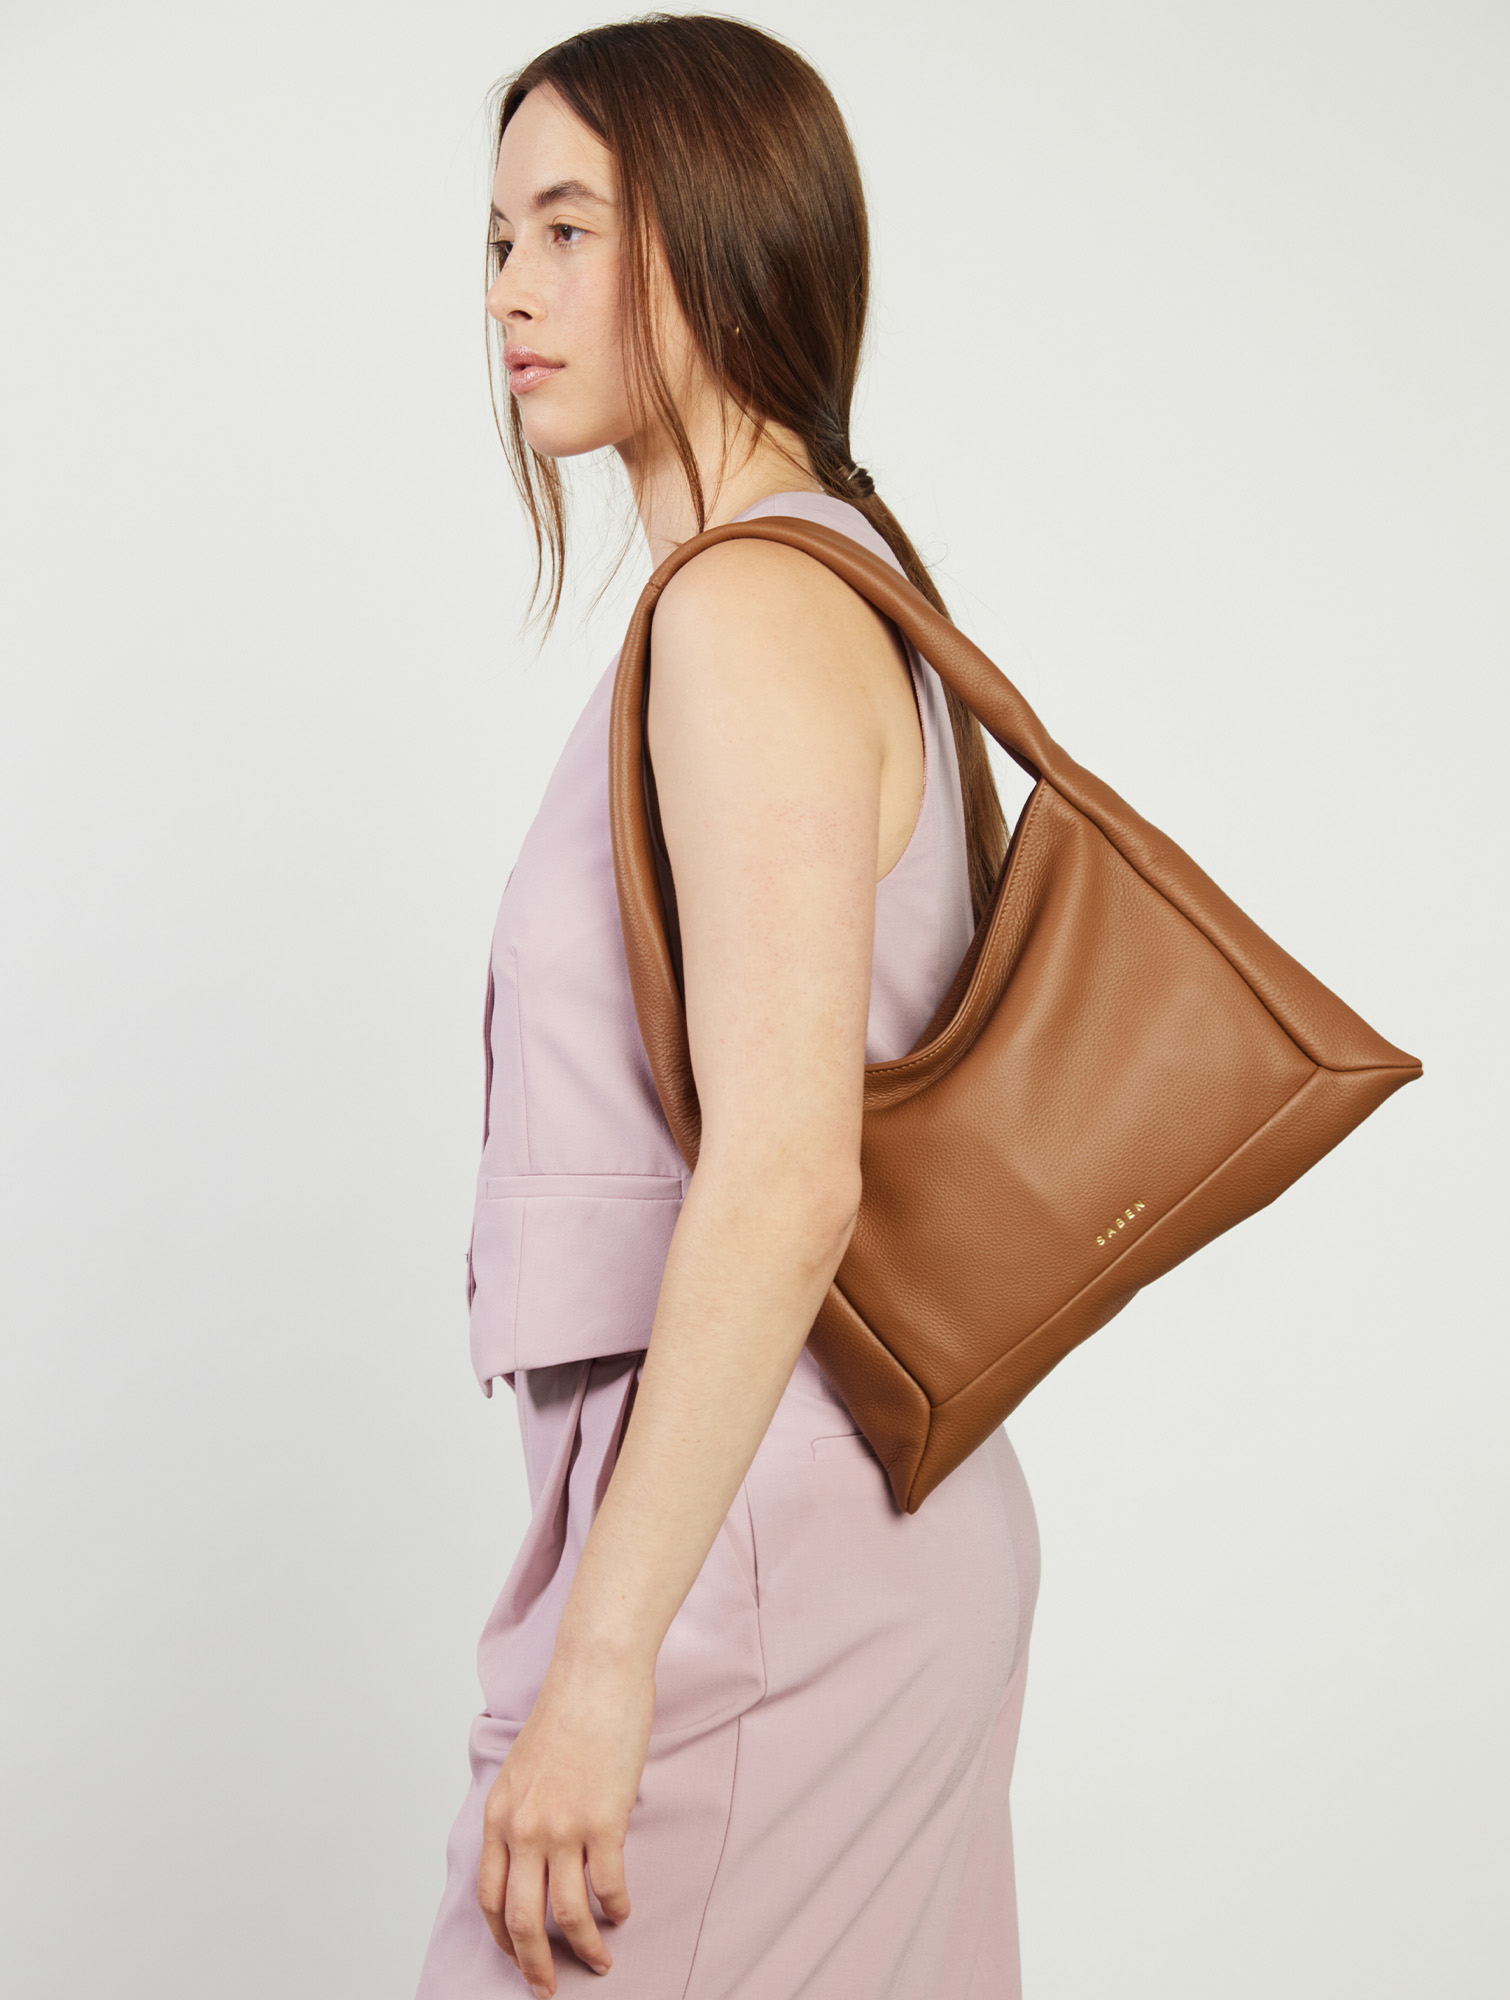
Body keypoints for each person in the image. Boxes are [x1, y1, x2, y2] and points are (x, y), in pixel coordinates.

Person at [415, 17, 1040, 1998]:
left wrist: (602, 1669)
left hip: (751, 1550)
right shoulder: (826, 579)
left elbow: (780, 1172)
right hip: (818, 1513)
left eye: (565, 228)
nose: (507, 291)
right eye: (495, 238)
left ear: (713, 236)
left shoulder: (748, 610)